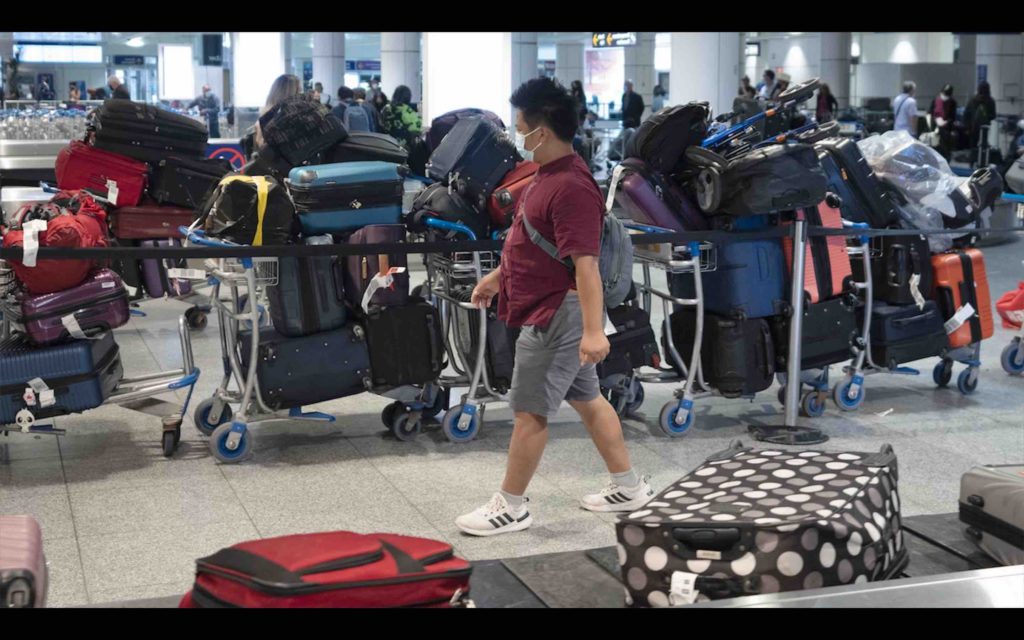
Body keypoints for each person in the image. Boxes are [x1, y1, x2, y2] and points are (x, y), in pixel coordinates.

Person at [454, 77, 652, 537]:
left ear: (542, 131)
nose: (517, 135)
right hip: (552, 308)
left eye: (521, 127)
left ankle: (511, 506)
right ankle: (628, 487)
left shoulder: (572, 187)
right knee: (588, 399)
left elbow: (586, 265)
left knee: (529, 411)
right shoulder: (546, 173)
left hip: (557, 314)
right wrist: (498, 278)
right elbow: (533, 241)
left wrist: (593, 330)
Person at [254, 73, 302, 149]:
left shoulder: (264, 118)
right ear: (290, 93)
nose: (301, 95)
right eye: (299, 91)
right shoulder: (288, 117)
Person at [964, 81, 997, 151]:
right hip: (984, 127)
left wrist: (967, 127)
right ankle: (982, 156)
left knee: (973, 146)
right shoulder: (990, 101)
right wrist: (986, 117)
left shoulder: (973, 100)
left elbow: (966, 114)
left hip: (974, 127)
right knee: (983, 146)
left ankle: (973, 157)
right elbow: (993, 115)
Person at [931, 84, 957, 160]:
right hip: (936, 128)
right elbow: (931, 113)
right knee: (935, 147)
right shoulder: (936, 100)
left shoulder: (952, 102)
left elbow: (952, 116)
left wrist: (947, 122)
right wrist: (935, 121)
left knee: (945, 148)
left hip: (946, 129)